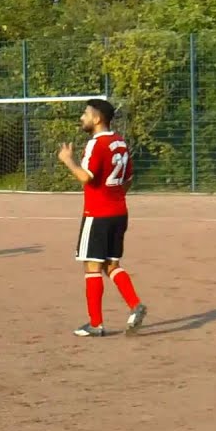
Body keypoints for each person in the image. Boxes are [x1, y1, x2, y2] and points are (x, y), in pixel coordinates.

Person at [56, 98, 148, 337]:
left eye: (86, 114)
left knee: (91, 266)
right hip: (119, 213)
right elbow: (128, 178)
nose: (82, 117)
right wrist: (114, 196)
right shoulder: (120, 142)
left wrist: (68, 160)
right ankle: (135, 305)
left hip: (97, 214)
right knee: (111, 265)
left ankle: (96, 324)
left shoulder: (96, 144)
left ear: (97, 118)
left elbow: (85, 177)